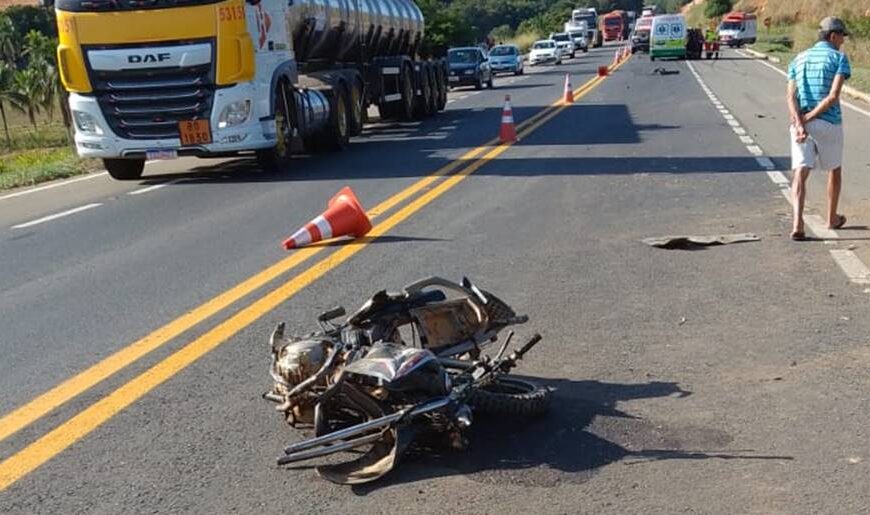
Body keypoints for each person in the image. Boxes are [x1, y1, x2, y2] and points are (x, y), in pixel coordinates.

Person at [786, 16, 852, 241]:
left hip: (800, 125)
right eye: (842, 36)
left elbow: (790, 96)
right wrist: (811, 116)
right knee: (834, 170)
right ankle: (832, 217)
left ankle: (797, 222)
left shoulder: (798, 58)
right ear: (833, 36)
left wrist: (799, 121)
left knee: (800, 173)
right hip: (829, 123)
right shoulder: (839, 58)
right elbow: (833, 96)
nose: (843, 41)